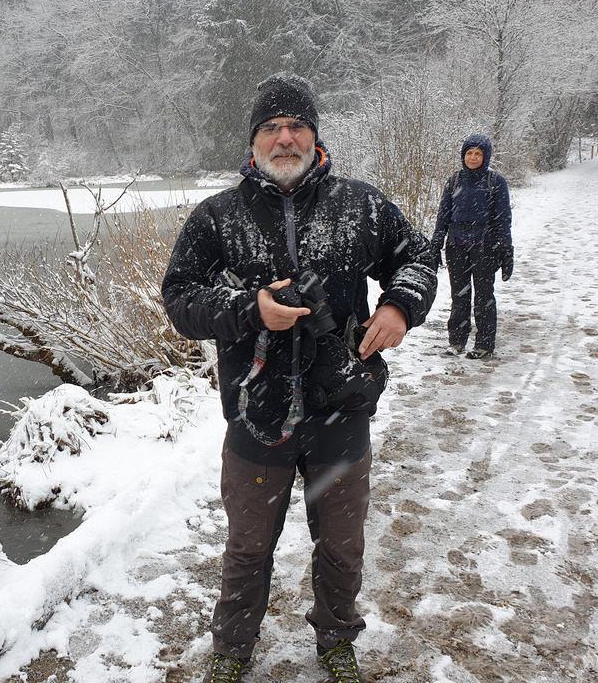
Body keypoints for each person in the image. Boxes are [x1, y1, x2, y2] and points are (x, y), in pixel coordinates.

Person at [161, 73, 438, 683]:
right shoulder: (219, 216)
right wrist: (246, 309)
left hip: (342, 411)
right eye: (271, 128)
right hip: (255, 418)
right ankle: (232, 651)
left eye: (297, 127)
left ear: (314, 137)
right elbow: (179, 299)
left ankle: (337, 640)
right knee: (248, 548)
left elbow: (419, 255)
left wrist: (399, 305)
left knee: (341, 547)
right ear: (254, 140)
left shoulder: (360, 205)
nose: (284, 138)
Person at [430, 134, 513, 359]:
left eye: (478, 153)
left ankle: (484, 344)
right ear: (463, 155)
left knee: (484, 296)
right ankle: (456, 341)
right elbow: (443, 214)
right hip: (456, 246)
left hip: (485, 247)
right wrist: (437, 241)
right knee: (459, 295)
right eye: (469, 153)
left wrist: (506, 249)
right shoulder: (454, 181)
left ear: (485, 156)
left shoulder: (495, 182)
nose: (473, 157)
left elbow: (503, 219)